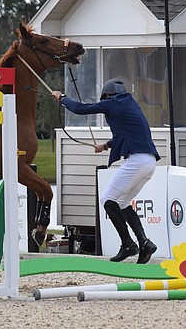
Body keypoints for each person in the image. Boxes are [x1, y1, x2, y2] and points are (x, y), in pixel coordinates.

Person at [52, 78, 160, 264]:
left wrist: (62, 98)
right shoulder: (130, 104)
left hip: (136, 160)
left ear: (107, 95)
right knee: (123, 202)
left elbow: (80, 109)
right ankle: (144, 243)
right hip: (150, 161)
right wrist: (106, 145)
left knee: (107, 199)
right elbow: (127, 133)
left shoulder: (112, 103)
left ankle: (128, 244)